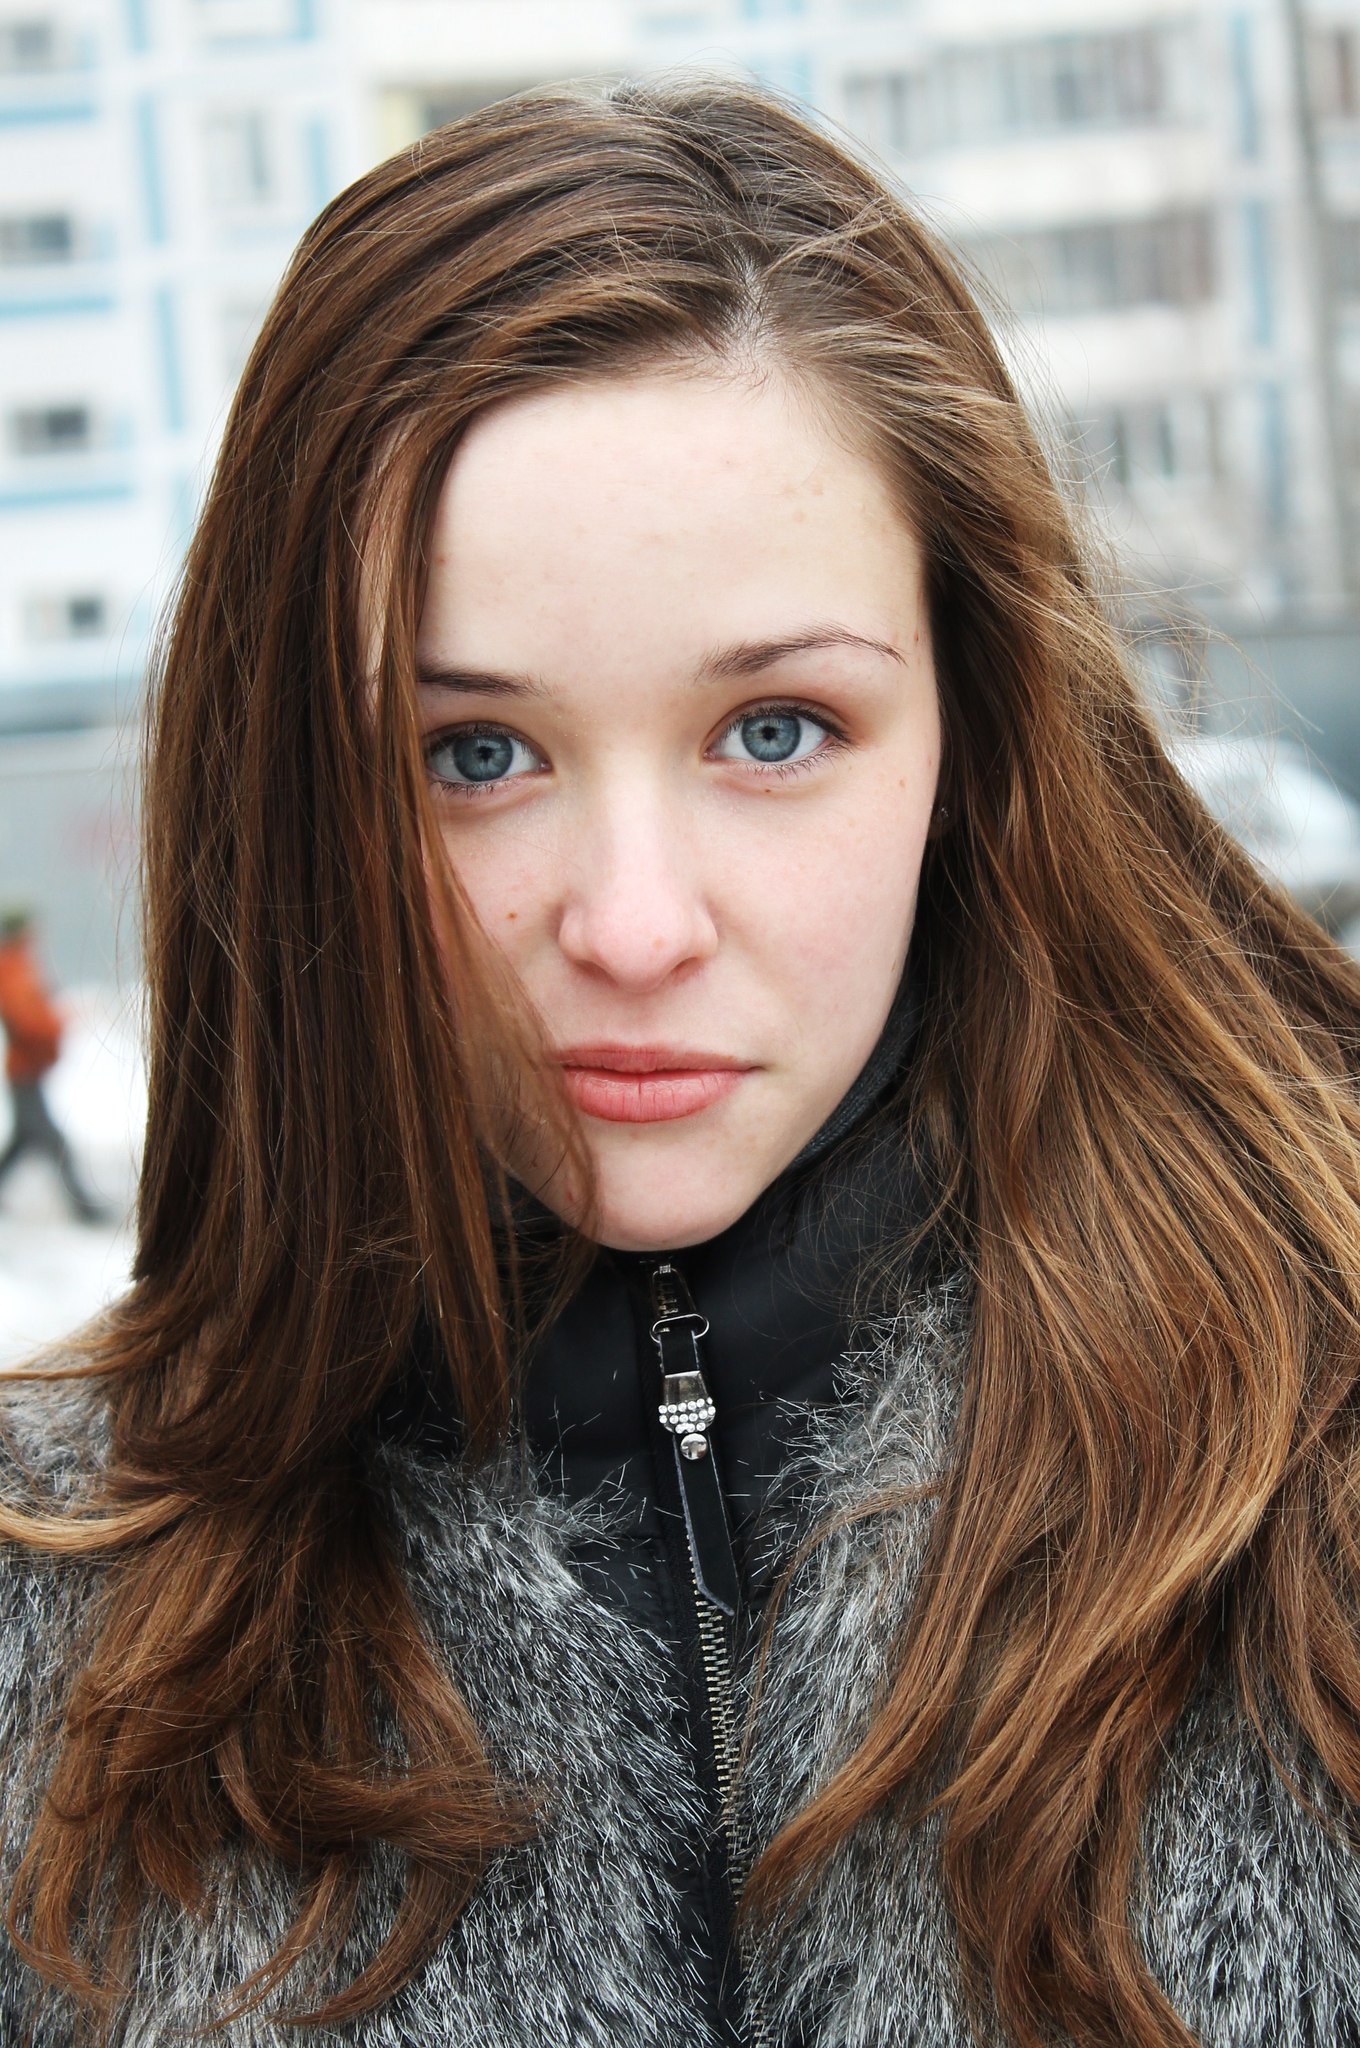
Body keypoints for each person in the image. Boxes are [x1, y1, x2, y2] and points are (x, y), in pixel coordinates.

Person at [1, 78, 1359, 2048]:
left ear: (969, 732)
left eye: (775, 729)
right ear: (296, 800)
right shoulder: (44, 1614)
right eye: (474, 754)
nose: (632, 928)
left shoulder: (1319, 1472)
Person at [0, 908, 105, 1223]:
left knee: (24, 1140)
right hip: (24, 1068)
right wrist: (59, 1021)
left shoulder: (20, 965)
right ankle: (83, 1207)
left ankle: (83, 1206)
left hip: (28, 1068)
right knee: (53, 1142)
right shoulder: (13, 968)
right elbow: (28, 1020)